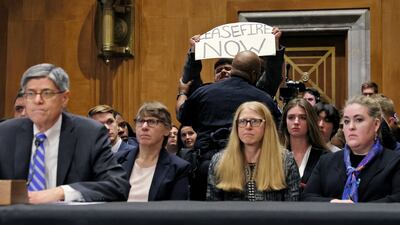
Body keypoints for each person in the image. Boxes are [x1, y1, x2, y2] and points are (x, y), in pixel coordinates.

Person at [0, 63, 130, 204]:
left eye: (47, 93)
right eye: (30, 94)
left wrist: (61, 192)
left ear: (64, 98)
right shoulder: (6, 133)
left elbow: (118, 186)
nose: (38, 100)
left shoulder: (89, 133)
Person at [179, 50, 281, 200]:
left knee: (203, 217)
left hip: (205, 165)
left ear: (233, 68)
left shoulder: (204, 93)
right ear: (254, 74)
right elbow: (277, 130)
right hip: (248, 167)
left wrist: (181, 93)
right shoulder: (262, 98)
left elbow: (183, 116)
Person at [302, 95, 400, 202]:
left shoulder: (395, 161)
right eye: (347, 121)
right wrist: (332, 203)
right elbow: (307, 197)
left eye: (358, 120)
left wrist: (356, 212)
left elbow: (397, 199)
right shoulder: (326, 161)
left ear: (376, 124)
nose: (351, 127)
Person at [176, 27, 285, 114]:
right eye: (218, 70)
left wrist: (273, 45)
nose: (223, 71)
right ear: (214, 77)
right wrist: (195, 51)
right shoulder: (205, 92)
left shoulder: (255, 91)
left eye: (228, 69)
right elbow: (192, 79)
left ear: (237, 71)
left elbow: (272, 75)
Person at [207, 101, 300, 201]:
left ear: (267, 126)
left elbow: (292, 208)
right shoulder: (219, 161)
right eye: (242, 121)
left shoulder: (285, 160)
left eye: (255, 121)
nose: (248, 127)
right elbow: (213, 208)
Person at [115, 102, 191, 201]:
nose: (144, 127)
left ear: (167, 130)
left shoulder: (178, 167)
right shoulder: (117, 160)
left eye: (152, 121)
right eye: (140, 121)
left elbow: (176, 211)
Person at [279, 98, 328, 189]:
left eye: (303, 118)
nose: (296, 122)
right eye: (291, 117)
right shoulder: (275, 155)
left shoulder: (325, 157)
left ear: (310, 122)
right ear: (285, 122)